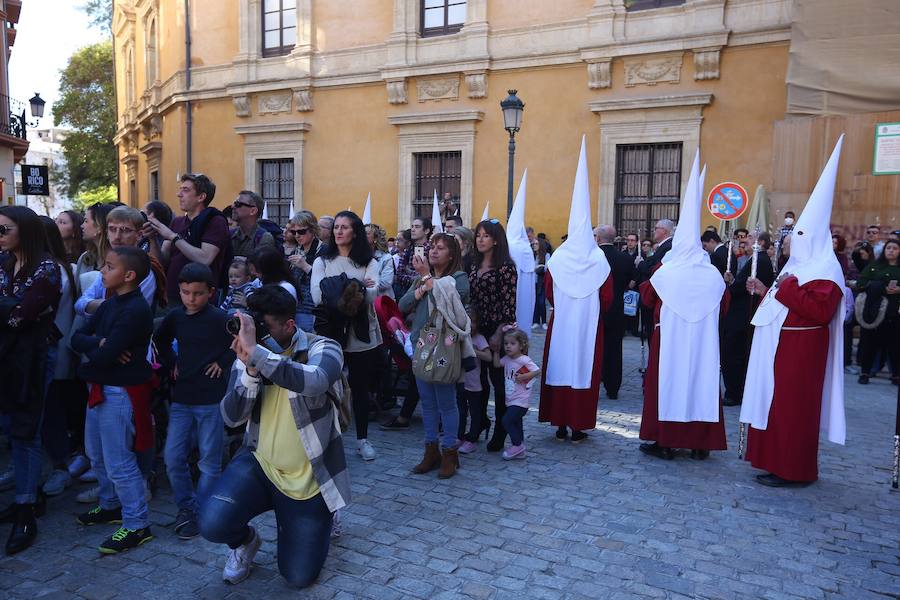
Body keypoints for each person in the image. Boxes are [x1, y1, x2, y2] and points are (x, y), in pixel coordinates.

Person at [199, 285, 348, 587]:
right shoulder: (251, 357)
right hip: (260, 464)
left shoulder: (324, 347)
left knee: (297, 577)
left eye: (263, 328)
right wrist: (251, 371)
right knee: (212, 522)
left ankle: (323, 514)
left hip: (309, 478)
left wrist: (258, 354)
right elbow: (230, 417)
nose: (254, 337)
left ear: (289, 326)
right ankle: (245, 543)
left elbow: (316, 380)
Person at [742, 137, 847, 487]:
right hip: (780, 344)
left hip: (803, 350)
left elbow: (819, 310)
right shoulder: (797, 267)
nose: (791, 241)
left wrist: (785, 288)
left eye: (799, 235)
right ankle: (771, 460)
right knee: (776, 405)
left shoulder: (826, 272)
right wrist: (764, 292)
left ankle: (793, 469)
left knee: (794, 408)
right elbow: (782, 303)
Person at [638, 158, 727, 460]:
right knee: (700, 384)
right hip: (703, 340)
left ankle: (666, 441)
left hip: (669, 338)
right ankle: (700, 443)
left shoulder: (667, 270)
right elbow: (723, 305)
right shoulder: (712, 274)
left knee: (668, 384)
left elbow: (648, 297)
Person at [72, 246, 155, 553]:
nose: (102, 272)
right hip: (99, 386)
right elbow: (76, 338)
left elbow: (105, 356)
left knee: (119, 461)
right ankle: (110, 505)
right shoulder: (108, 304)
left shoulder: (135, 310)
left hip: (119, 393)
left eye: (108, 267)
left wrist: (97, 350)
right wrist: (100, 344)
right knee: (97, 455)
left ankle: (137, 524)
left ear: (128, 275)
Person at [539, 139, 612, 444]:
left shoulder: (558, 258)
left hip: (562, 323)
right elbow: (607, 298)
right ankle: (579, 425)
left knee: (560, 364)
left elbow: (549, 293)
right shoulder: (599, 258)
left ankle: (559, 422)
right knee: (583, 367)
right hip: (588, 325)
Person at [154, 263, 235, 539]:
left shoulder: (218, 318)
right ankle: (187, 506)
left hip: (210, 399)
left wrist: (223, 362)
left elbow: (240, 341)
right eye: (187, 292)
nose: (192, 298)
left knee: (209, 461)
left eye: (198, 293)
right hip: (182, 398)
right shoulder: (176, 317)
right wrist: (172, 362)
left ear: (211, 292)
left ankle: (201, 510)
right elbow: (160, 341)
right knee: (173, 457)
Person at [0, 206, 62, 555]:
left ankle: (26, 510)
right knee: (11, 429)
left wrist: (12, 309)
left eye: (4, 229)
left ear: (24, 230)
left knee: (27, 432)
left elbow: (20, 318)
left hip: (34, 358)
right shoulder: (4, 262)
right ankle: (27, 496)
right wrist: (12, 307)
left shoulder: (47, 267)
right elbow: (16, 311)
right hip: (7, 357)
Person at [311, 210, 382, 461]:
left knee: (360, 389)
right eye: (336, 227)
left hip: (361, 333)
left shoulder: (369, 262)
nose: (338, 231)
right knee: (327, 387)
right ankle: (328, 440)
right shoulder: (322, 260)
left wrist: (339, 286)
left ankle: (363, 439)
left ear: (355, 232)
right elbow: (319, 297)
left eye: (345, 227)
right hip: (330, 331)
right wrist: (356, 287)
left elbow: (370, 297)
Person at [400, 233, 471, 478]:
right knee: (428, 403)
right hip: (421, 345)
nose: (433, 251)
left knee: (447, 402)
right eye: (432, 247)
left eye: (440, 248)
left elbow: (451, 300)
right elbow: (403, 304)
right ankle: (431, 452)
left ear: (452, 255)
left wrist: (426, 279)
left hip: (445, 346)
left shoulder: (459, 278)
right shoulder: (423, 278)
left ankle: (450, 451)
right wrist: (421, 287)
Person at [37, 218, 78, 498]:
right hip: (44, 351)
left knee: (51, 410)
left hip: (54, 350)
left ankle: (60, 466)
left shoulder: (57, 271)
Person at [469, 219, 518, 451]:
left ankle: (501, 430)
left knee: (498, 384)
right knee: (477, 382)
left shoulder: (506, 267)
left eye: (485, 235)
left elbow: (509, 305)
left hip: (498, 329)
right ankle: (479, 423)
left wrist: (499, 332)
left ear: (496, 240)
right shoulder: (473, 265)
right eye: (478, 235)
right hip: (476, 329)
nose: (480, 239)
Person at [145, 173, 230, 305]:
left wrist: (173, 237)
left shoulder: (215, 221)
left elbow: (205, 259)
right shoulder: (177, 222)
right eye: (180, 189)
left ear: (201, 197)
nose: (179, 194)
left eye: (186, 190)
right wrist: (152, 239)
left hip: (198, 301)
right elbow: (162, 262)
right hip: (171, 297)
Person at [75, 207, 167, 320]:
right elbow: (80, 304)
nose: (117, 237)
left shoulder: (145, 268)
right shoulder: (109, 264)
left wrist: (96, 306)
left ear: (139, 235)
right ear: (107, 234)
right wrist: (107, 305)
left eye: (125, 230)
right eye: (112, 229)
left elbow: (129, 315)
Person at [720, 232, 775, 406]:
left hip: (743, 314)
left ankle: (734, 392)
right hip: (743, 312)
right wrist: (733, 280)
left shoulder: (760, 260)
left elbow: (742, 287)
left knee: (733, 352)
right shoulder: (756, 259)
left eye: (751, 238)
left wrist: (731, 284)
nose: (746, 240)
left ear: (762, 243)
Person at [594, 225, 634, 400]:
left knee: (595, 347)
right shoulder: (624, 258)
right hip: (617, 307)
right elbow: (631, 281)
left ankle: (594, 381)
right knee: (615, 348)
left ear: (598, 238)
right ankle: (613, 387)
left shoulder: (594, 257)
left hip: (597, 307)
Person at [856, 239, 900, 385]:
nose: (891, 251)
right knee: (870, 344)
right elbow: (860, 284)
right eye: (889, 248)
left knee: (895, 346)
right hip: (874, 311)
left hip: (895, 313)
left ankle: (895, 375)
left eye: (895, 248)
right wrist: (881, 287)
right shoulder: (874, 266)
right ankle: (865, 373)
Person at [495, 328, 540, 460]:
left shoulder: (524, 360)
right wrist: (496, 351)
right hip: (510, 399)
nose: (508, 346)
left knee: (506, 420)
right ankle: (520, 450)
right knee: (516, 423)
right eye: (506, 343)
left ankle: (517, 445)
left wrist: (525, 375)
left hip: (521, 401)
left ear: (521, 345)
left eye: (512, 343)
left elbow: (537, 371)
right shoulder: (507, 359)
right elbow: (497, 364)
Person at [458, 311, 492, 454]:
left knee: (475, 411)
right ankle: (459, 436)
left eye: (472, 321)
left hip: (474, 382)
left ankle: (471, 438)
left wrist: (473, 350)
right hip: (459, 380)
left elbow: (488, 357)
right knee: (460, 410)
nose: (469, 324)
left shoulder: (479, 339)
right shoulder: (460, 336)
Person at [285, 210, 322, 332]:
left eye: (301, 231)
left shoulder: (324, 251)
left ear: (313, 230)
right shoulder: (296, 251)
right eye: (294, 232)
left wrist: (305, 266)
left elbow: (326, 282)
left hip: (312, 310)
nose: (297, 235)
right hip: (294, 308)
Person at [231, 191, 275, 258]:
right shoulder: (229, 234)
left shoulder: (264, 238)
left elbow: (261, 266)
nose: (232, 206)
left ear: (253, 211)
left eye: (238, 204)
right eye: (234, 203)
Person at [396, 217, 433, 293]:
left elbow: (431, 274)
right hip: (407, 292)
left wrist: (409, 271)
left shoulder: (431, 250)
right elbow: (399, 275)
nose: (413, 229)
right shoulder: (408, 249)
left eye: (417, 227)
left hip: (425, 292)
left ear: (426, 231)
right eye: (412, 226)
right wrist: (416, 277)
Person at [366, 223, 395, 299]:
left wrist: (364, 285)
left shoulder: (386, 258)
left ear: (375, 239)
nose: (363, 236)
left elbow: (386, 282)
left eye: (367, 234)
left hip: (381, 300)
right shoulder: (356, 256)